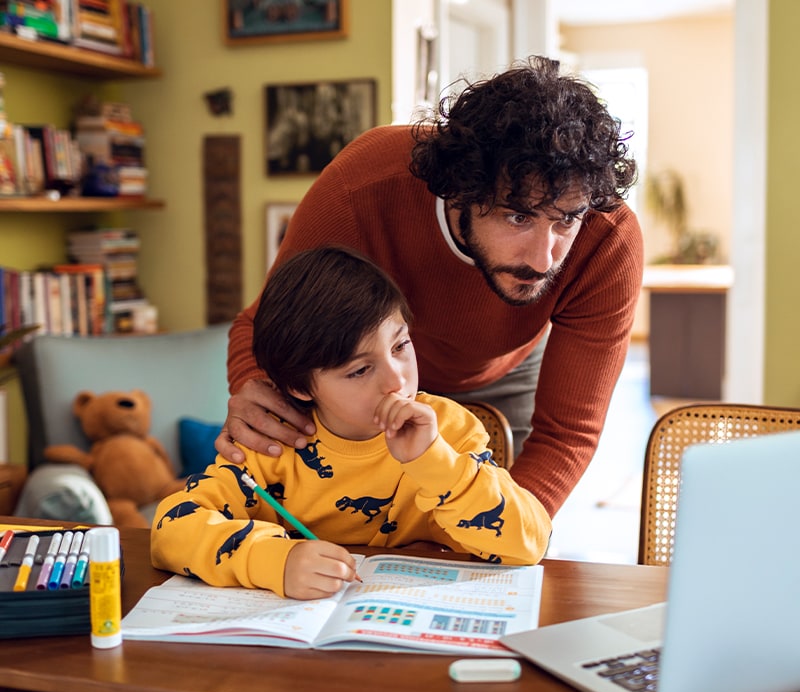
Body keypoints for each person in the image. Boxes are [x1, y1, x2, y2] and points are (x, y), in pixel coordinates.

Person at [218, 56, 644, 520]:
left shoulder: (608, 240)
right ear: (461, 190)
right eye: (517, 217)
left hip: (508, 374)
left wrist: (506, 532)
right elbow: (261, 326)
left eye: (566, 221)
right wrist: (255, 386)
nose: (544, 260)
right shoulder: (360, 188)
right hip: (364, 377)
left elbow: (566, 434)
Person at [152, 247, 552, 600]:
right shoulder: (271, 443)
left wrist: (437, 463)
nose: (396, 380)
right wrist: (273, 560)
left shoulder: (450, 430)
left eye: (401, 345)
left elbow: (530, 543)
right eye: (360, 370)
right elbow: (171, 528)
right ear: (300, 386)